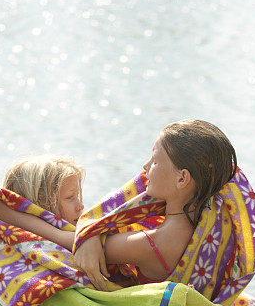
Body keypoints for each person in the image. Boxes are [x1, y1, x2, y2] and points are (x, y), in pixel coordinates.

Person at [73, 120, 237, 290]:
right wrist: (93, 234)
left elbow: (73, 243)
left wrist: (87, 233)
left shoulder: (158, 242)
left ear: (182, 178)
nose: (145, 166)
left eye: (155, 161)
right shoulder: (207, 225)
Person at [0, 155, 84, 250]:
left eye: (77, 196)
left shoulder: (88, 239)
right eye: (70, 197)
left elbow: (71, 239)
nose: (81, 206)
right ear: (38, 205)